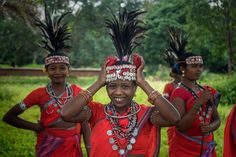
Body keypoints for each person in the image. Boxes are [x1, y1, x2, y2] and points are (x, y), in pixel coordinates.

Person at [61, 8, 180, 157]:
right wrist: (99, 82)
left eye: (125, 86)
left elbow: (174, 118)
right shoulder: (96, 112)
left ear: (135, 88)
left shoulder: (147, 115)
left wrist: (143, 82)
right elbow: (66, 113)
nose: (118, 92)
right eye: (112, 86)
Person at [2, 4, 90, 157]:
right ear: (46, 71)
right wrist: (35, 127)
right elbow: (9, 117)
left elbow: (84, 123)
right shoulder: (39, 94)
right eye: (52, 68)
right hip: (47, 146)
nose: (58, 72)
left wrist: (89, 148)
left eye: (62, 68)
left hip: (72, 147)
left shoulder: (78, 92)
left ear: (68, 70)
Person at [169, 34, 221, 157]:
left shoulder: (207, 90)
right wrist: (198, 103)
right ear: (183, 68)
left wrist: (210, 127)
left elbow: (217, 119)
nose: (198, 70)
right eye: (193, 66)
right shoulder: (178, 93)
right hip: (185, 149)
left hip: (207, 148)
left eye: (200, 66)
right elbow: (181, 126)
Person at [162, 29, 183, 157]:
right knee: (175, 147)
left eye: (180, 75)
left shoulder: (188, 87)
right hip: (173, 120)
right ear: (173, 75)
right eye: (176, 75)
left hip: (186, 118)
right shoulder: (168, 86)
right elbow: (165, 101)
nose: (178, 77)